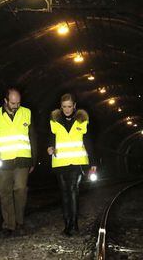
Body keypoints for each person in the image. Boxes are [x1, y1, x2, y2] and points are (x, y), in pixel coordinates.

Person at [0, 88, 36, 236]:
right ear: (6, 101)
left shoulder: (27, 112)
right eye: (13, 103)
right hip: (3, 160)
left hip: (23, 160)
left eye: (18, 103)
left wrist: (34, 159)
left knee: (20, 189)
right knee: (4, 192)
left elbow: (33, 137)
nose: (16, 105)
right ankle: (9, 225)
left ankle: (19, 223)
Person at [47, 93, 97, 236]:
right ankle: (67, 223)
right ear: (60, 106)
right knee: (64, 194)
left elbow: (88, 141)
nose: (67, 109)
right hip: (60, 161)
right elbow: (51, 137)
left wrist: (93, 161)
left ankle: (73, 224)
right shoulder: (55, 121)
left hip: (77, 162)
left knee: (73, 190)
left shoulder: (82, 120)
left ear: (74, 106)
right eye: (64, 107)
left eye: (69, 106)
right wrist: (49, 147)